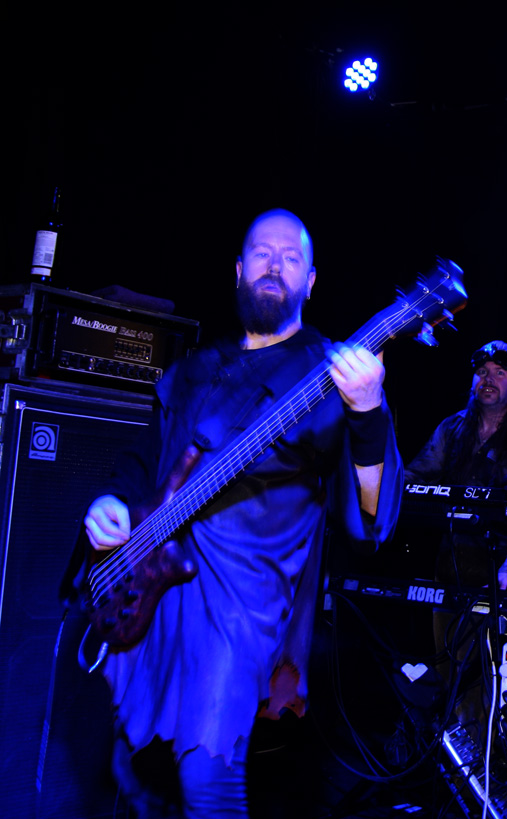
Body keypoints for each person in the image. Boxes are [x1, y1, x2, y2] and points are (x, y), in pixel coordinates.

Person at [76, 208, 402, 817]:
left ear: (311, 281)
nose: (274, 266)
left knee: (207, 778)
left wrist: (368, 413)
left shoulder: (329, 373)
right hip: (151, 585)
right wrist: (110, 502)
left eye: (291, 258)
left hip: (240, 609)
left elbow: (371, 515)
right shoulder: (195, 368)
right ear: (238, 268)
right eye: (261, 253)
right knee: (134, 771)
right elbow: (143, 460)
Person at [404, 340, 507, 593]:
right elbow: (415, 477)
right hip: (448, 572)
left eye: (500, 372)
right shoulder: (451, 427)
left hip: (500, 579)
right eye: (482, 372)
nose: (488, 379)